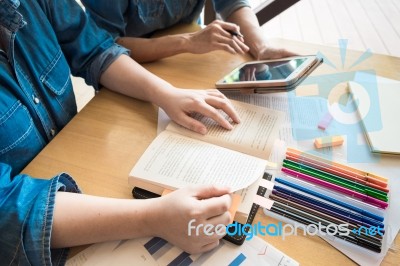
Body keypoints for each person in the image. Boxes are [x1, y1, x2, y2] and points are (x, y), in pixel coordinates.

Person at [0, 0, 241, 264]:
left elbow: (94, 49)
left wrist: (165, 93)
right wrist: (152, 218)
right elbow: (7, 207)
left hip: (80, 168)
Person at [81, 0, 297, 63]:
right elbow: (106, 47)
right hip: (126, 72)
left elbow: (233, 3)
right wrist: (187, 41)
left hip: (185, 62)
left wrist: (261, 47)